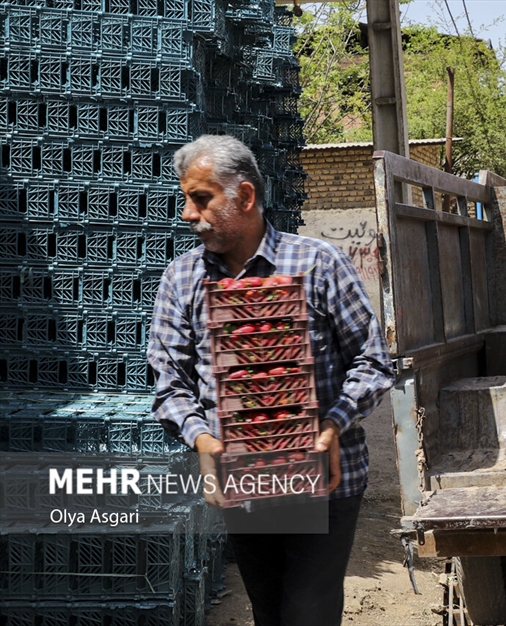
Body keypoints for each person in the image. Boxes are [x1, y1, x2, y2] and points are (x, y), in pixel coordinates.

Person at [148, 135, 395, 626]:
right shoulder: (182, 279)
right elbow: (169, 380)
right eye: (185, 200)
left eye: (200, 199)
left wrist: (330, 426)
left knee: (309, 610)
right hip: (245, 481)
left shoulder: (318, 263)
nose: (186, 214)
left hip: (326, 479)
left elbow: (373, 361)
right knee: (269, 609)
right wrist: (202, 440)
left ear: (244, 196)